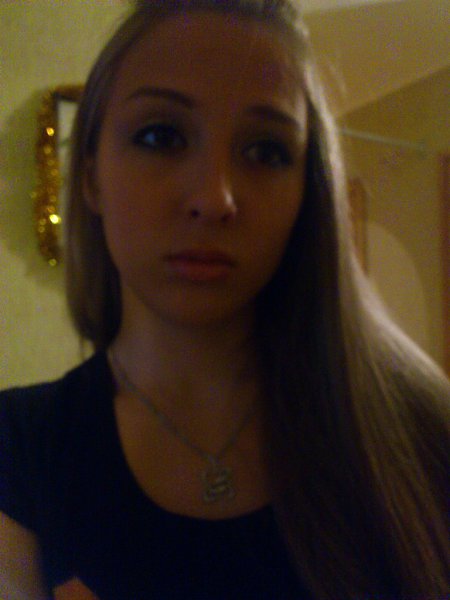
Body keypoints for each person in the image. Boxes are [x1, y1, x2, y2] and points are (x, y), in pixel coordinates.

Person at [1, 1, 449, 598]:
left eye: (265, 151)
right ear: (90, 179)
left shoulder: (421, 432)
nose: (215, 199)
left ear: (307, 192)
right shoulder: (18, 451)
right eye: (161, 136)